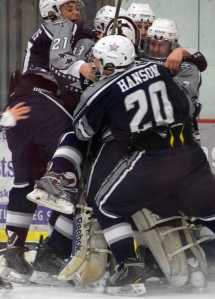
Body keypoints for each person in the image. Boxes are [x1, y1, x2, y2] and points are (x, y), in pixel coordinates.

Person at [70, 34, 215, 294]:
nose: (95, 65)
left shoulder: (102, 90)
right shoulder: (158, 69)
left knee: (105, 205)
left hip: (151, 159)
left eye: (99, 61)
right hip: (189, 153)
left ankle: (129, 267)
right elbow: (186, 107)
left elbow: (82, 130)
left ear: (110, 64)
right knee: (208, 211)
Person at [0, 0, 95, 285]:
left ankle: (14, 251)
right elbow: (60, 59)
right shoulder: (62, 26)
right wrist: (85, 66)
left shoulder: (49, 29)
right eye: (68, 8)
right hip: (45, 105)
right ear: (53, 11)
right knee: (78, 177)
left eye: (76, 8)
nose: (75, 13)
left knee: (23, 183)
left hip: (19, 110)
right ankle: (53, 251)